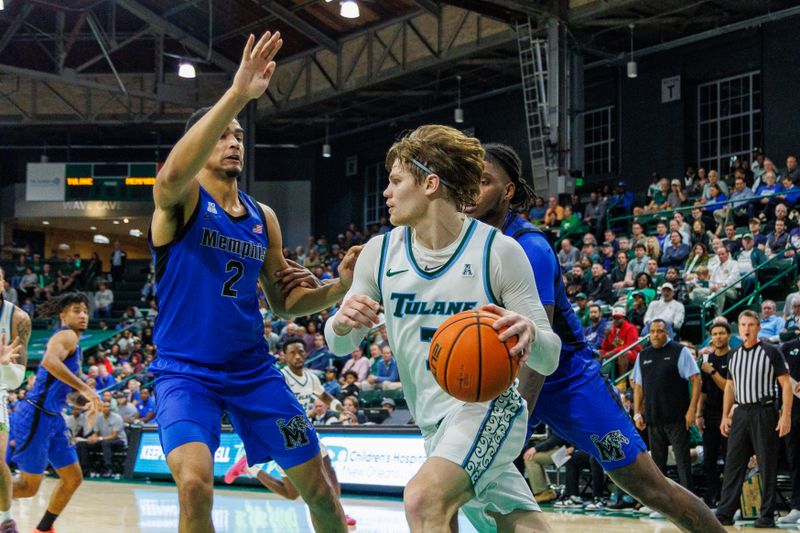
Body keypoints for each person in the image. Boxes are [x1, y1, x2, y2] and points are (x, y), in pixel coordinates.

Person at [148, 30, 355, 533]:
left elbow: (286, 305)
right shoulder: (183, 201)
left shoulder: (262, 216)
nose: (234, 141)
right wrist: (237, 92)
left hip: (254, 374)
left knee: (322, 491)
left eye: (239, 135)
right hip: (185, 373)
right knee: (195, 485)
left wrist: (340, 286)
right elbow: (171, 175)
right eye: (222, 134)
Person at [470, 143, 724, 532]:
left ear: (507, 192)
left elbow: (541, 349)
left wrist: (512, 421)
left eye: (485, 181)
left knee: (648, 486)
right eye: (469, 180)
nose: (473, 189)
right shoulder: (467, 246)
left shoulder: (530, 247)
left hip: (563, 378)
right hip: (504, 375)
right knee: (466, 479)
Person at [325, 126, 562, 532]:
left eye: (396, 181)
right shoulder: (379, 254)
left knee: (424, 499)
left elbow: (550, 356)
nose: (386, 192)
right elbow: (340, 345)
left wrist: (530, 334)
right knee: (512, 524)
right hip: (432, 421)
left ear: (431, 183)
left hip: (489, 408)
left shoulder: (498, 251)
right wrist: (342, 321)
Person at [223, 336, 356, 526]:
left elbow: (324, 396)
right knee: (292, 494)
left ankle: (339, 513)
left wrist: (341, 409)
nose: (298, 356)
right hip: (284, 434)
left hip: (306, 429)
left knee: (329, 471)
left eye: (301, 351)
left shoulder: (311, 377)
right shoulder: (280, 376)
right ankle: (252, 469)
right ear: (284, 356)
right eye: (292, 352)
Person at [8, 293, 102, 533]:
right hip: (35, 415)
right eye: (76, 310)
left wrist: (85, 402)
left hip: (53, 418)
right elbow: (49, 362)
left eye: (85, 311)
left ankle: (43, 529)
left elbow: (69, 394)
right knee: (28, 487)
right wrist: (87, 389)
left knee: (73, 478)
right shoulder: (66, 335)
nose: (82, 315)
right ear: (63, 314)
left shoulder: (76, 346)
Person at [715, 310, 793, 528]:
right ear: (738, 329)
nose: (747, 328)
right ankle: (725, 512)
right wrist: (725, 415)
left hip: (764, 411)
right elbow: (730, 386)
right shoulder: (733, 355)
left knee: (767, 465)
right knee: (733, 464)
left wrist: (785, 414)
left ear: (758, 327)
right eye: (743, 324)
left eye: (751, 324)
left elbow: (786, 384)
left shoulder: (771, 352)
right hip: (740, 412)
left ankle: (767, 514)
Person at [632, 319, 701, 491]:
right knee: (657, 465)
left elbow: (696, 379)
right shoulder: (643, 355)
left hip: (677, 417)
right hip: (654, 418)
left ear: (667, 332)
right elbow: (638, 387)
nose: (655, 334)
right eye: (652, 331)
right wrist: (637, 413)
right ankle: (661, 501)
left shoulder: (680, 351)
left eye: (660, 331)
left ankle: (689, 502)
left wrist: (692, 410)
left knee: (682, 463)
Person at [0, 267, 31, 532]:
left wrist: (2, 364)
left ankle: (5, 520)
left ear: (3, 283)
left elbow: (14, 381)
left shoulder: (17, 319)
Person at [695, 320, 731, 507]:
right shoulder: (707, 361)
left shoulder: (734, 358)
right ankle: (713, 497)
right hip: (709, 415)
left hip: (728, 416)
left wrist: (713, 371)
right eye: (715, 334)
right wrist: (698, 414)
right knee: (708, 461)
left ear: (729, 336)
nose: (718, 337)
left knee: (728, 460)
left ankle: (728, 500)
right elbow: (704, 391)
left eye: (721, 333)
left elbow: (728, 388)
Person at [76, 401, 127, 478]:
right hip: (103, 440)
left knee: (106, 443)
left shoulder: (117, 418)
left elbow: (114, 436)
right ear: (101, 408)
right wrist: (92, 438)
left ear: (111, 408)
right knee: (83, 444)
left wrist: (99, 438)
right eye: (104, 406)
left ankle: (108, 468)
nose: (106, 408)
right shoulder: (99, 418)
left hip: (119, 440)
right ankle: (85, 468)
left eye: (108, 406)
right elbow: (96, 433)